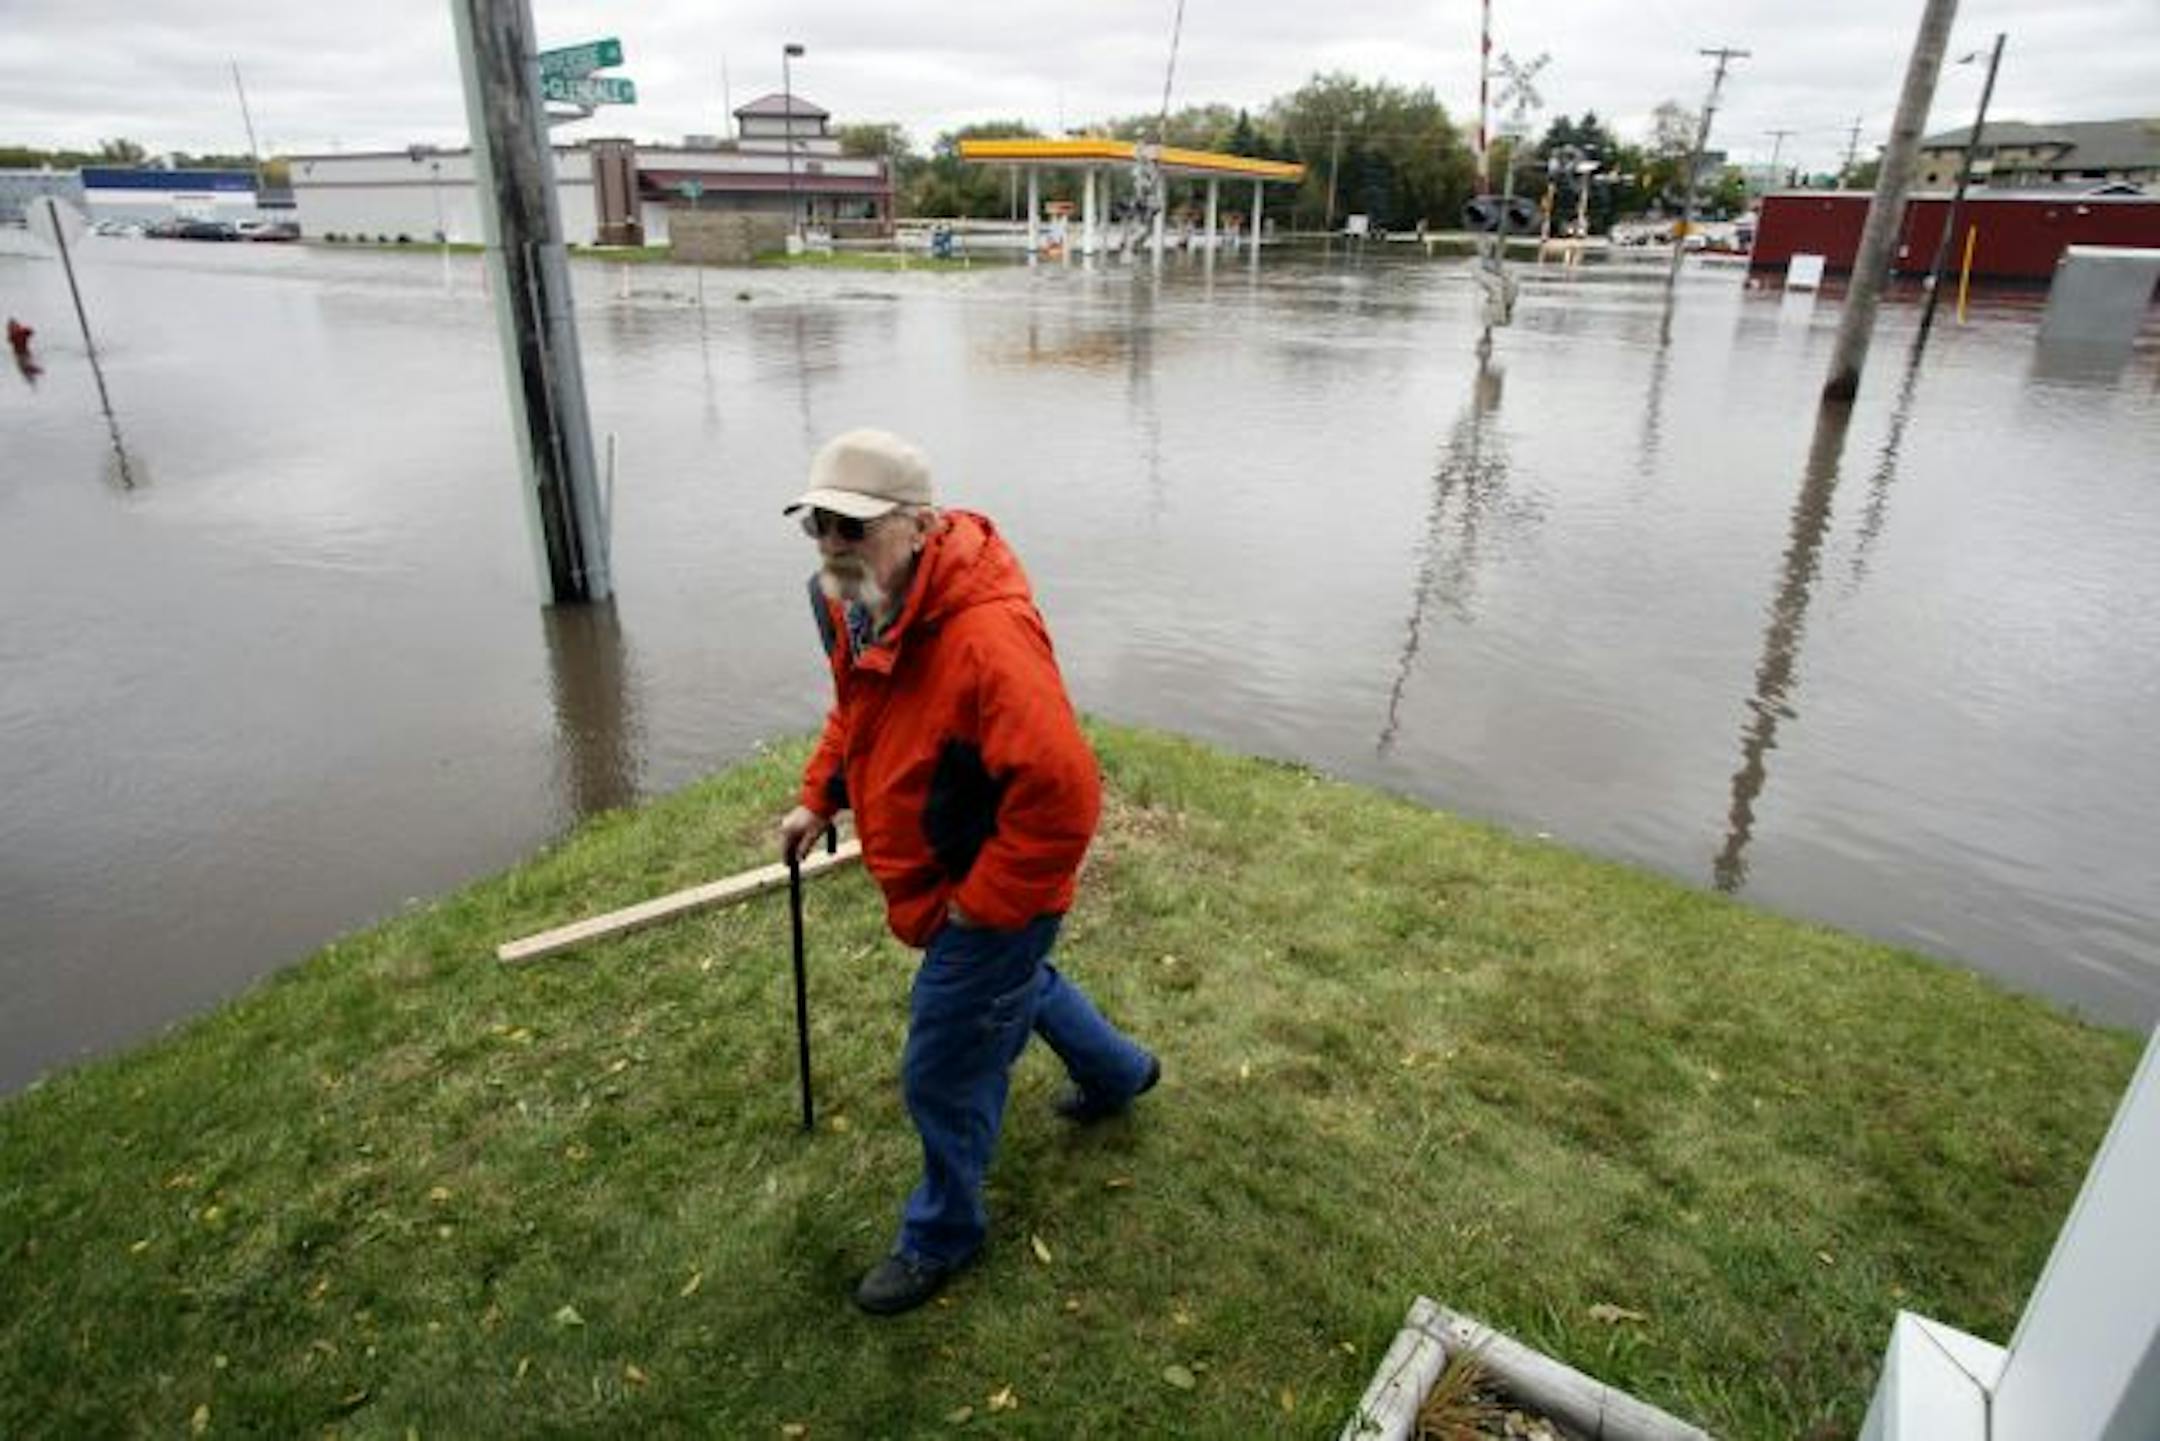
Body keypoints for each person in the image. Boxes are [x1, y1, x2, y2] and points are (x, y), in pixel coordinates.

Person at [776, 429, 1159, 1316]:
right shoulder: (850, 601)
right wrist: (818, 795)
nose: (833, 545)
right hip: (950, 882)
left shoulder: (989, 639)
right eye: (819, 525)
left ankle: (943, 1234)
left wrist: (983, 909)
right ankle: (1120, 1072)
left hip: (992, 894)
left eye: (854, 527)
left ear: (919, 525)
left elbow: (1065, 797)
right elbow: (859, 709)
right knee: (1013, 989)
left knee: (944, 1066)